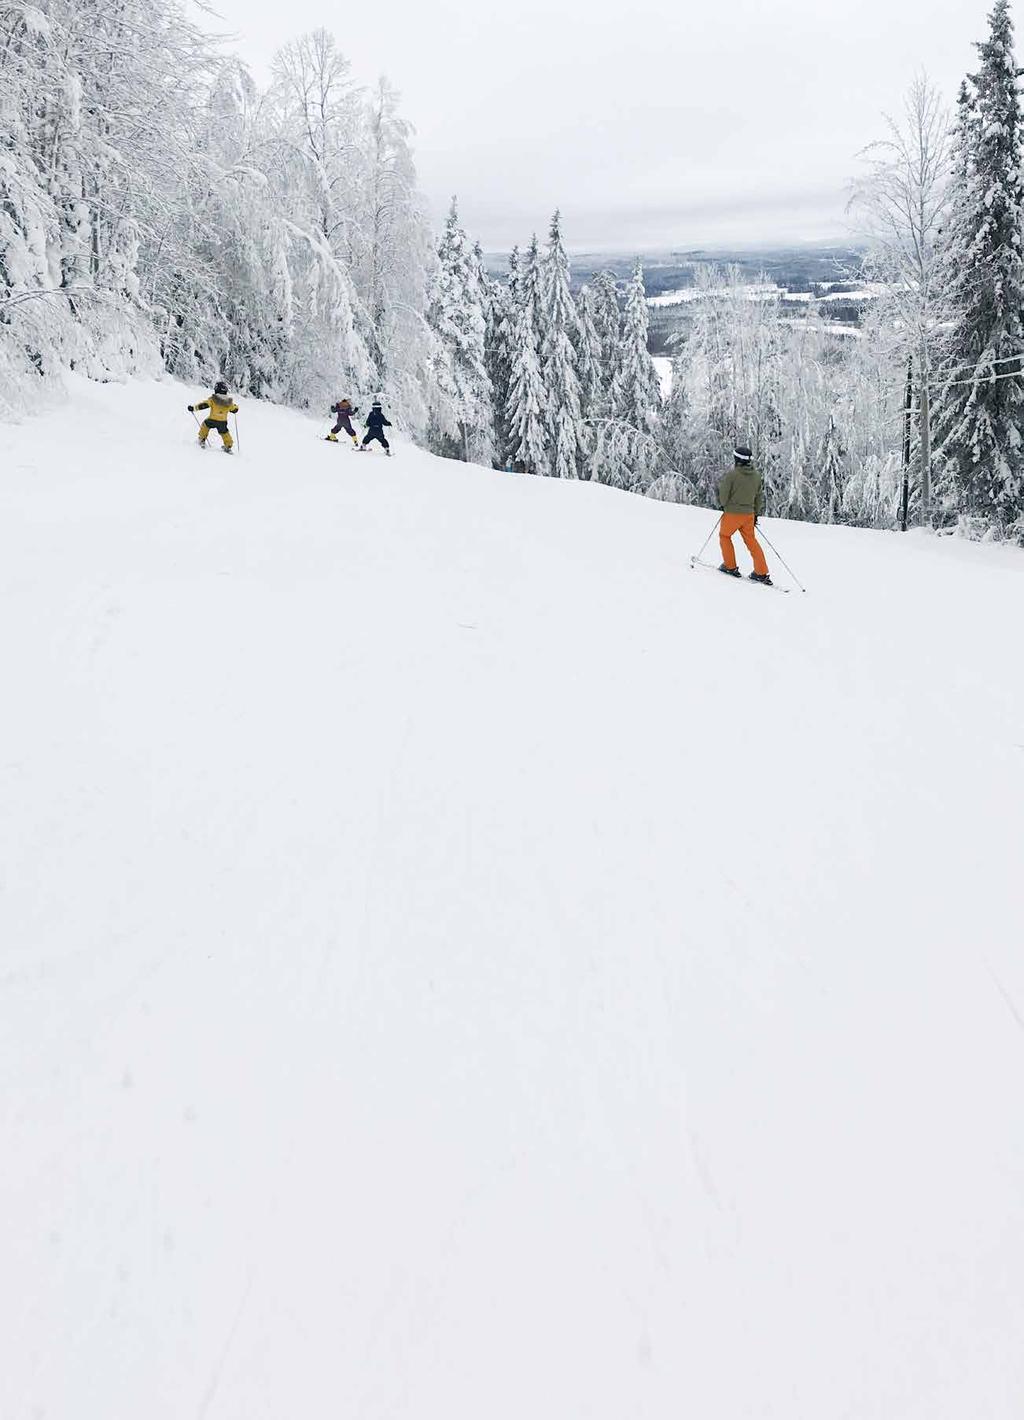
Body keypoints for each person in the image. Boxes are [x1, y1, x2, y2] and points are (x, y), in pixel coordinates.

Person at [718, 445, 771, 585]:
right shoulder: (757, 476)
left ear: (737, 459)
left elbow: (723, 497)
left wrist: (724, 505)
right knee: (751, 541)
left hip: (732, 514)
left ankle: (730, 566)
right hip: (749, 515)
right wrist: (755, 514)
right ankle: (761, 572)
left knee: (725, 536)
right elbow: (759, 497)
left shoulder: (732, 475)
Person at [188, 381, 238, 453]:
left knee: (205, 425)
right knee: (224, 432)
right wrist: (236, 409)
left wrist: (194, 408)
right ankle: (228, 445)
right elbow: (234, 409)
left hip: (212, 419)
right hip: (222, 422)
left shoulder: (213, 399)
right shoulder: (229, 402)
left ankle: (202, 439)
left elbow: (204, 405)